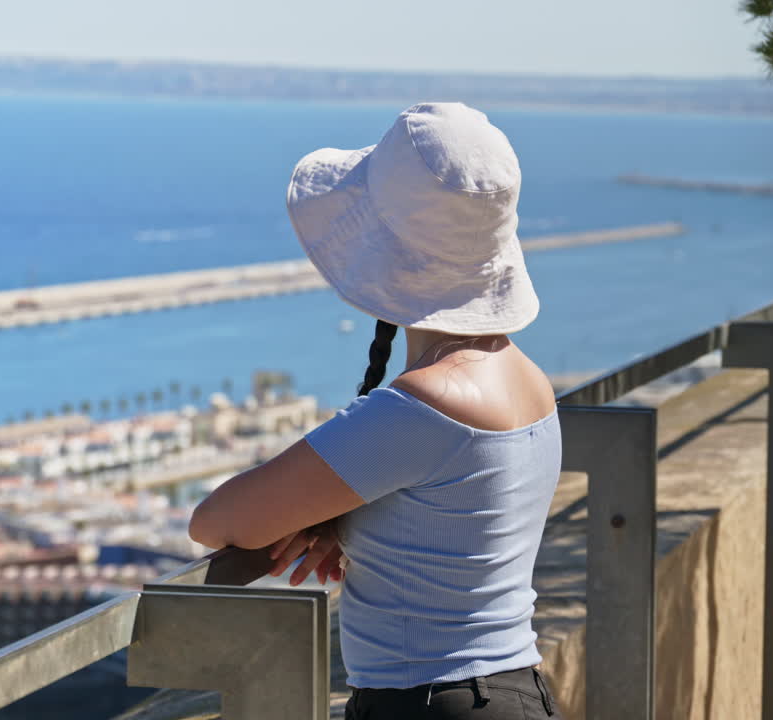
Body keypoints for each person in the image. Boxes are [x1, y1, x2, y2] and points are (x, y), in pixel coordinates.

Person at [189, 103, 562, 719]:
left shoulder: (424, 405)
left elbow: (218, 522)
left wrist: (326, 509)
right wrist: (353, 517)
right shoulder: (529, 381)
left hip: (428, 704)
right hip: (517, 693)